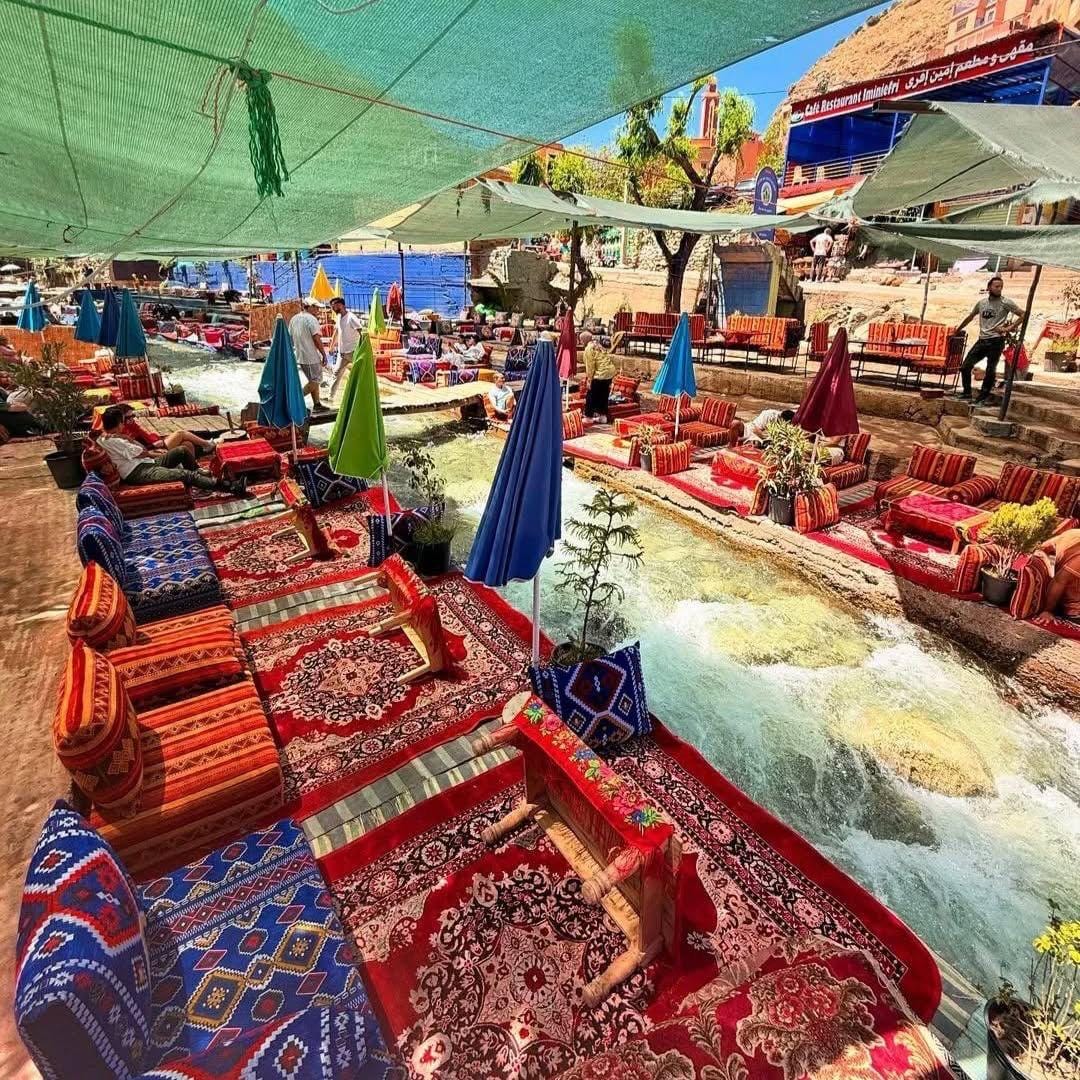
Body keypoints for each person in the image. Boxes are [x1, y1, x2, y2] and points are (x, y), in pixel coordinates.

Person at [97, 406, 244, 495]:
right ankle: (230, 487)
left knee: (182, 450)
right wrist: (127, 439)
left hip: (146, 463)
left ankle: (200, 480)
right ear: (119, 423)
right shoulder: (113, 440)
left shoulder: (108, 438)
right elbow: (141, 451)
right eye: (123, 421)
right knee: (184, 473)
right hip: (138, 472)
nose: (124, 424)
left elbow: (141, 450)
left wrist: (125, 438)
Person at [955, 275, 1024, 404]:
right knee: (965, 367)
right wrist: (958, 329)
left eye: (1001, 287)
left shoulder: (1005, 302)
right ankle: (967, 393)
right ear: (989, 287)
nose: (999, 289)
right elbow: (970, 316)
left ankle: (983, 396)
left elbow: (1023, 314)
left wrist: (1009, 328)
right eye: (996, 286)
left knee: (990, 369)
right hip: (982, 340)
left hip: (996, 341)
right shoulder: (982, 303)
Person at [118, 403, 215, 456]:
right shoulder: (123, 433)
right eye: (128, 417)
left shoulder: (132, 425)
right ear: (121, 419)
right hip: (151, 449)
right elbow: (136, 449)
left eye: (133, 416)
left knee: (187, 444)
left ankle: (193, 470)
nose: (132, 419)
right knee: (181, 433)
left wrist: (156, 441)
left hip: (155, 444)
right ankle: (207, 444)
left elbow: (144, 436)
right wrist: (153, 445)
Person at [289, 300, 329, 411]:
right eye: (315, 307)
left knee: (313, 380)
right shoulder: (311, 319)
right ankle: (294, 400)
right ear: (309, 307)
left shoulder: (294, 318)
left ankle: (317, 404)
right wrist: (323, 354)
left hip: (299, 355)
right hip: (310, 355)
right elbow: (316, 338)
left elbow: (290, 337)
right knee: (316, 380)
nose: (317, 310)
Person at [1035, 529, 1080, 621]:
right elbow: (1059, 581)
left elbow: (1044, 546)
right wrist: (1047, 610)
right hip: (1074, 609)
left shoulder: (1073, 533)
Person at [328, 295, 363, 402]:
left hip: (353, 352)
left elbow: (361, 331)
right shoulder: (339, 317)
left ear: (341, 305)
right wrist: (331, 346)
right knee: (336, 374)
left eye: (334, 306)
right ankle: (330, 397)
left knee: (359, 374)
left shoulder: (351, 317)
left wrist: (363, 348)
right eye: (332, 307)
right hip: (342, 353)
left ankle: (362, 396)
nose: (333, 309)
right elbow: (336, 332)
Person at [582, 330, 618, 423]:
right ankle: (603, 417)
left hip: (600, 373)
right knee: (603, 394)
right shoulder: (598, 345)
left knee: (591, 395)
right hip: (609, 372)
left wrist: (589, 380)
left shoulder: (588, 349)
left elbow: (590, 366)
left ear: (584, 340)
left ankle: (589, 417)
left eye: (581, 340)